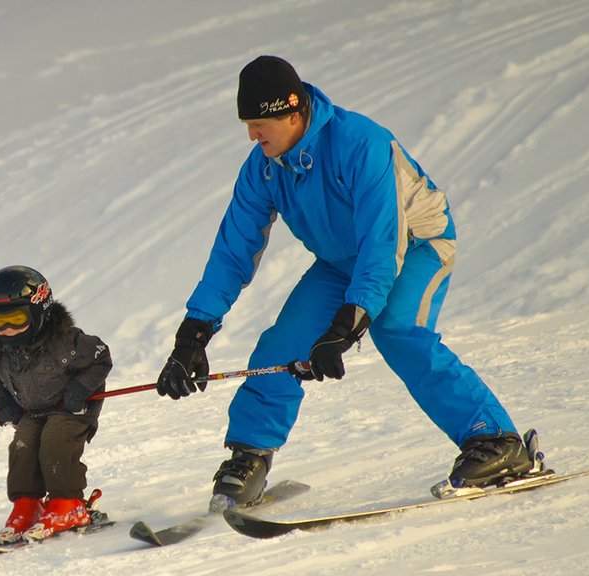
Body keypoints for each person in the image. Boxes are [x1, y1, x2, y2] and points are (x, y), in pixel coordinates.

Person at [156, 56, 535, 509]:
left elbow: (382, 241)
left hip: (416, 243)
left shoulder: (361, 143)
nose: (253, 136)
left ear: (292, 113)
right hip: (342, 261)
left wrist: (347, 325)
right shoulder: (264, 167)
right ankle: (250, 454)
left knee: (397, 330)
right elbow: (233, 252)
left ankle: (496, 439)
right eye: (248, 125)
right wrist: (194, 332)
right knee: (283, 343)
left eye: (259, 124)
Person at [0, 266, 112, 544]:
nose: (7, 329)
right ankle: (27, 505)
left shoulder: (65, 341)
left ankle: (68, 504)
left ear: (39, 310)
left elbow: (100, 357)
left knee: (56, 439)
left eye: (16, 318)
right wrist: (4, 407)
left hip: (72, 408)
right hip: (34, 411)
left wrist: (79, 391)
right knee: (23, 444)